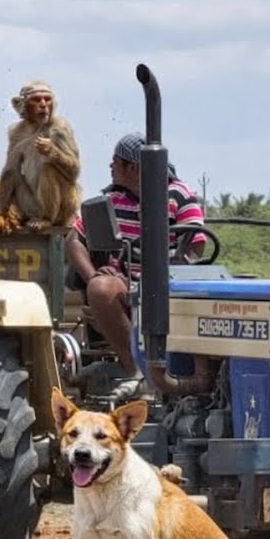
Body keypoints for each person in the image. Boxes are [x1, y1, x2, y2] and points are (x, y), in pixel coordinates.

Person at [66, 132, 207, 400]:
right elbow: (74, 239)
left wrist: (169, 271)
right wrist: (94, 273)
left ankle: (198, 374)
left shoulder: (179, 195)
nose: (110, 168)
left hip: (172, 280)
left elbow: (195, 245)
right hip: (124, 281)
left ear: (133, 167)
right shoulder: (111, 199)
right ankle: (138, 373)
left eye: (115, 162)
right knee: (101, 288)